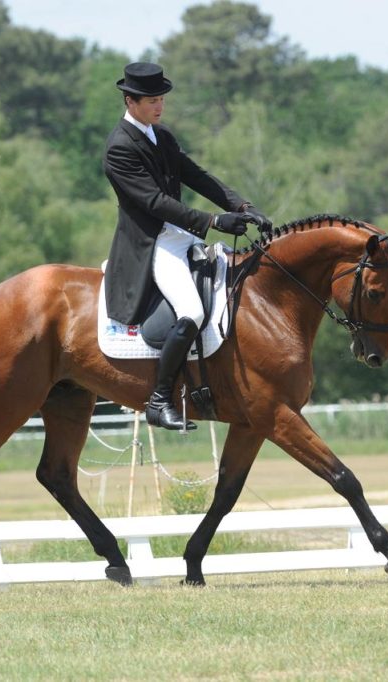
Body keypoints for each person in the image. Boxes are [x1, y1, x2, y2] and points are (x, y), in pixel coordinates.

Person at [103, 62, 272, 431]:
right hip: (152, 243)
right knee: (192, 312)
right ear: (130, 101)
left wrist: (241, 206)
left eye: (161, 99)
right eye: (151, 101)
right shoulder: (119, 148)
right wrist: (213, 222)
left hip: (181, 236)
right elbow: (153, 203)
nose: (159, 106)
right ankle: (160, 399)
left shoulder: (161, 137)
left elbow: (196, 176)